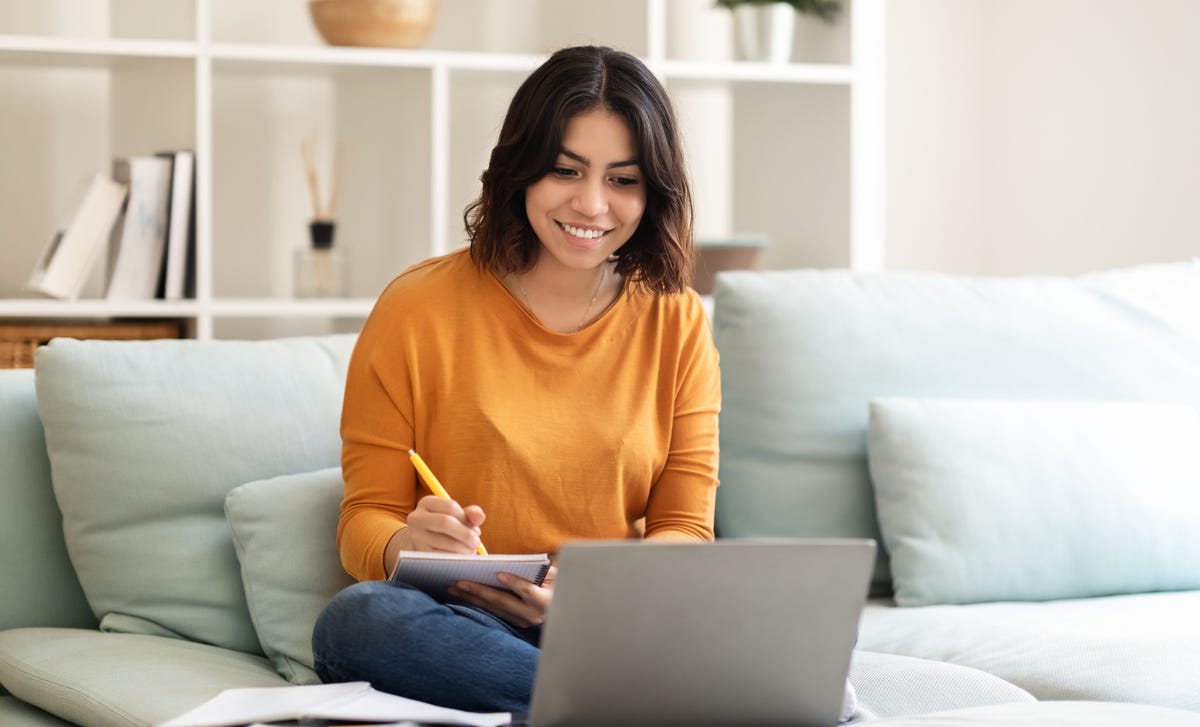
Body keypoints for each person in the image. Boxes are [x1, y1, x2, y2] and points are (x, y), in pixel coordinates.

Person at [310, 45, 721, 714]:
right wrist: (404, 544)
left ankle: (581, 702)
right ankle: (625, 709)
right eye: (566, 170)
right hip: (468, 622)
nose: (592, 203)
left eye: (623, 179)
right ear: (520, 168)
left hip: (608, 623)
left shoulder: (677, 321)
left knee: (767, 631)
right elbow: (365, 518)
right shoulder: (415, 309)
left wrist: (589, 601)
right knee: (356, 619)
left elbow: (684, 530)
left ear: (654, 191)